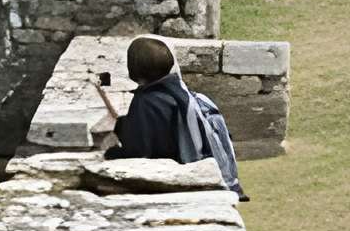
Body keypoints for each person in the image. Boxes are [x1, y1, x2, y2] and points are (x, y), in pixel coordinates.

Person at [94, 36, 248, 200]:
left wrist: (110, 153)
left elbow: (139, 153)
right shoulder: (179, 91)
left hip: (176, 176)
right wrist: (123, 125)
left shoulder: (146, 102)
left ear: (133, 69)